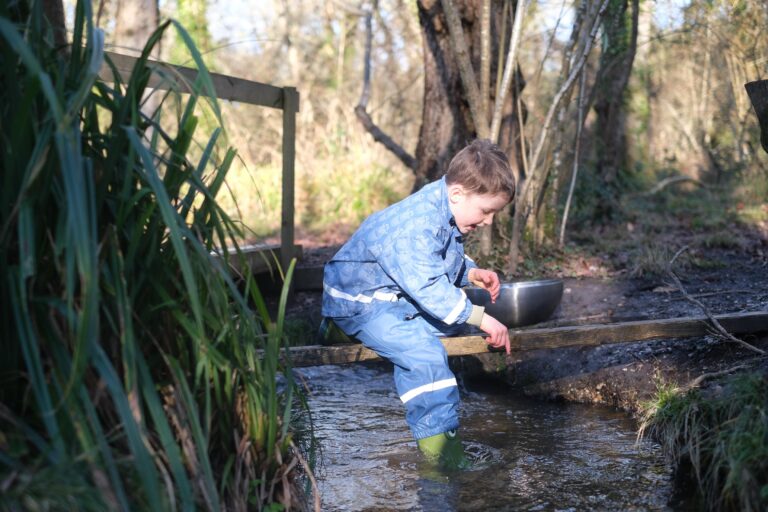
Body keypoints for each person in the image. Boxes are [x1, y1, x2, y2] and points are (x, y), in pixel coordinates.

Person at [320, 139, 515, 468]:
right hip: (360, 302)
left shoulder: (444, 207)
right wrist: (483, 318)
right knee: (423, 353)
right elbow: (428, 286)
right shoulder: (417, 224)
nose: (488, 222)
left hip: (392, 295)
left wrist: (471, 273)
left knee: (450, 324)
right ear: (457, 195)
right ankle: (441, 455)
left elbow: (436, 259)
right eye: (487, 211)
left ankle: (440, 431)